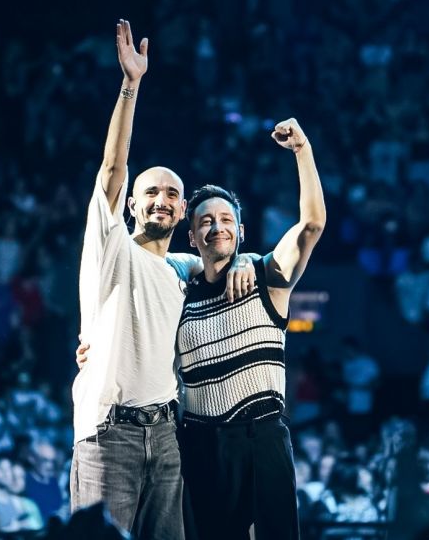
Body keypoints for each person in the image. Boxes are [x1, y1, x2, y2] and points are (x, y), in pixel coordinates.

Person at [70, 19, 253, 539]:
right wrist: (131, 86)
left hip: (167, 434)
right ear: (132, 204)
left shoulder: (181, 270)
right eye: (151, 191)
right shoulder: (111, 249)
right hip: (110, 434)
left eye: (173, 195)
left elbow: (224, 256)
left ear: (182, 217)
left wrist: (238, 260)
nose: (162, 199)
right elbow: (110, 170)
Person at [173, 117, 325, 539]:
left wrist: (302, 150)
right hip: (200, 443)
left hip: (261, 439)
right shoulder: (179, 290)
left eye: (225, 219)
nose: (216, 226)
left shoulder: (266, 274)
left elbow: (311, 226)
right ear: (192, 236)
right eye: (205, 221)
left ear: (241, 231)